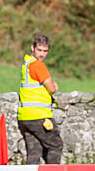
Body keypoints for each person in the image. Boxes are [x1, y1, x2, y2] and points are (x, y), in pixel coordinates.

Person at [17, 34, 63, 164]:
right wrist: (54, 87)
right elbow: (51, 88)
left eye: (45, 51)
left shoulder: (26, 64)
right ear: (33, 48)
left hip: (24, 117)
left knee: (34, 152)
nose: (42, 54)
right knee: (56, 145)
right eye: (39, 50)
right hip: (39, 116)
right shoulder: (38, 65)